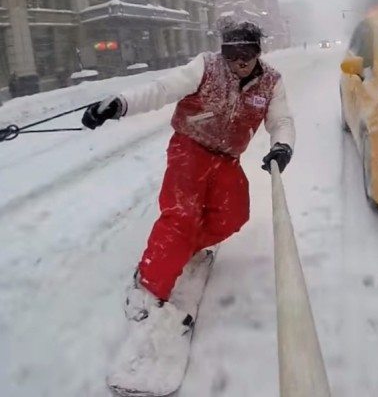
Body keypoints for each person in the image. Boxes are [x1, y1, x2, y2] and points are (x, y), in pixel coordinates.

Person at [81, 21, 295, 330]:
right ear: (223, 53)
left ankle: (184, 247)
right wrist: (119, 105)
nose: (240, 62)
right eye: (232, 54)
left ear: (258, 52)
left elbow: (282, 119)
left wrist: (282, 145)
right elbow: (162, 89)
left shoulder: (271, 81)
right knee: (181, 215)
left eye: (247, 53)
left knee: (234, 215)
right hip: (190, 147)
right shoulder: (206, 67)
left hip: (226, 158)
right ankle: (148, 287)